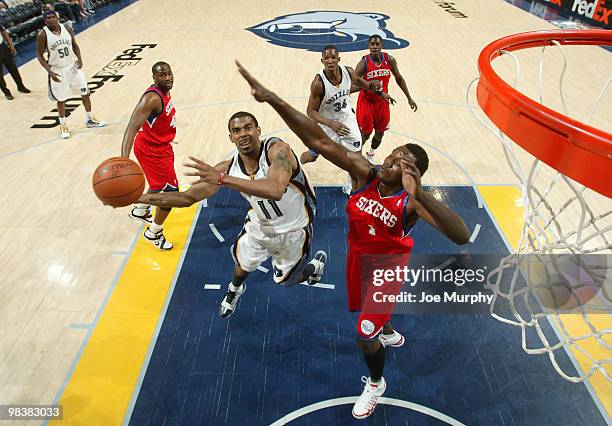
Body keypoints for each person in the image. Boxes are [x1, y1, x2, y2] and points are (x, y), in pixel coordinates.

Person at [233, 62, 469, 419]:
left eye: (403, 161)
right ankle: (386, 329)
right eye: (394, 153)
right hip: (357, 258)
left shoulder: (413, 201)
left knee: (363, 332)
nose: (393, 158)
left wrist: (420, 192)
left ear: (413, 174)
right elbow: (317, 140)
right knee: (370, 318)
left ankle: (376, 383)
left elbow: (461, 236)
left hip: (387, 271)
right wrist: (272, 99)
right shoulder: (364, 173)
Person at [138, 111, 328, 318]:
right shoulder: (229, 168)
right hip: (260, 225)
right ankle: (235, 289)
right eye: (236, 131)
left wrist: (222, 178)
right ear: (231, 137)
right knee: (242, 265)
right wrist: (138, 198)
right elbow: (186, 199)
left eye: (248, 128)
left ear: (258, 131)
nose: (243, 134)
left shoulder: (278, 150)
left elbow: (275, 189)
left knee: (287, 280)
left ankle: (314, 267)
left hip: (294, 229)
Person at [299, 45, 394, 194]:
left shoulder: (348, 72)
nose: (330, 61)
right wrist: (331, 123)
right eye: (326, 58)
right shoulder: (318, 83)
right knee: (312, 155)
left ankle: (350, 184)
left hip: (346, 118)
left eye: (333, 57)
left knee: (356, 154)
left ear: (338, 59)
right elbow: (310, 112)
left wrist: (380, 92)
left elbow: (364, 85)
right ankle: (297, 166)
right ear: (322, 60)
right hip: (326, 122)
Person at [121, 61, 177, 251]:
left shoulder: (165, 91)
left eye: (168, 73)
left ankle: (140, 210)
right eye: (162, 75)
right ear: (154, 78)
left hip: (160, 146)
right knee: (171, 193)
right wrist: (124, 161)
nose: (167, 77)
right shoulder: (152, 99)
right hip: (151, 150)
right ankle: (154, 233)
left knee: (158, 185)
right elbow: (131, 128)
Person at [36, 10, 104, 139]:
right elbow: (39, 55)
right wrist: (49, 72)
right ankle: (63, 124)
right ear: (45, 21)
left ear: (57, 18)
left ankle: (90, 119)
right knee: (61, 99)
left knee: (85, 92)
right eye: (47, 18)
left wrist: (80, 59)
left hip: (72, 66)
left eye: (53, 17)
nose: (50, 19)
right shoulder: (42, 35)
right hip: (57, 69)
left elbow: (75, 46)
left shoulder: (67, 28)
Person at [355, 35, 418, 162]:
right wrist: (371, 85)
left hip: (382, 103)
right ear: (368, 46)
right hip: (366, 102)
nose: (374, 47)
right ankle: (355, 160)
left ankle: (370, 155)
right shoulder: (363, 63)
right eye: (372, 44)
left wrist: (409, 98)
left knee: (380, 133)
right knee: (365, 134)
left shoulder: (390, 60)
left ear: (381, 46)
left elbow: (399, 78)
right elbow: (355, 80)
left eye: (377, 44)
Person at [0, 22, 30, 100]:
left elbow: (3, 32)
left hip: (2, 47)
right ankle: (7, 93)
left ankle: (21, 86)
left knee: (13, 68)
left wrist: (11, 45)